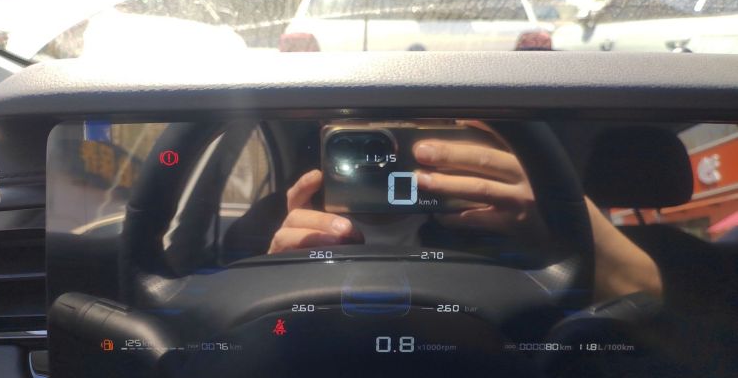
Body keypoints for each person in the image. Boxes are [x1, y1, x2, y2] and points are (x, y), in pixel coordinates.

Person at [268, 122, 662, 302]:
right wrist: (278, 278)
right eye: (359, 132)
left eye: (412, 129)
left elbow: (643, 298)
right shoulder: (280, 219)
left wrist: (556, 211)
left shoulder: (501, 213)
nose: (383, 155)